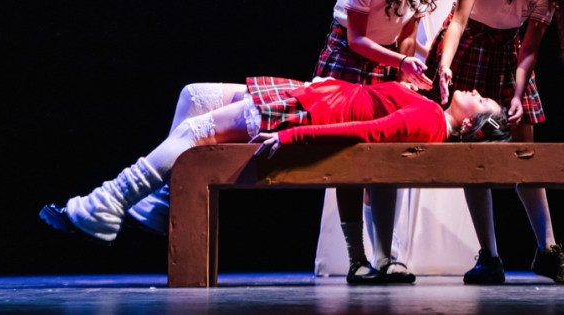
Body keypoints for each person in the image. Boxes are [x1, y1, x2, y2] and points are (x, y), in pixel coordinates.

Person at [39, 77, 512, 262]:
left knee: (193, 132)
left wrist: (290, 137)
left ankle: (106, 203)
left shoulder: (428, 119)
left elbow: (363, 131)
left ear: (473, 124)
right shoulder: (429, 111)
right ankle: (163, 206)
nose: (475, 91)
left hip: (306, 113)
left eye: (482, 100)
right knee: (193, 96)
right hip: (313, 96)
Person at [424, 0, 564, 285]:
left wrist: (517, 93)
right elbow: (458, 20)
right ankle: (489, 255)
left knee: (525, 153)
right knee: (472, 152)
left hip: (508, 54)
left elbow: (529, 48)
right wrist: (445, 64)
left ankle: (548, 250)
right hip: (470, 45)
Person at [312, 0, 450, 284]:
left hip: (383, 62)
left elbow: (406, 34)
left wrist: (408, 71)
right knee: (350, 159)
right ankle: (357, 259)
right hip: (347, 60)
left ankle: (387, 256)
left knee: (387, 155)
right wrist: (400, 62)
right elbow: (356, 39)